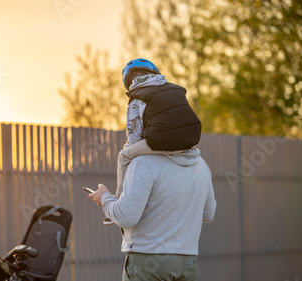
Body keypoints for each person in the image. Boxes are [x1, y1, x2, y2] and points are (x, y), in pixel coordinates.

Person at [88, 58, 216, 280]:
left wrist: (106, 199)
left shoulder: (142, 164)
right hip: (187, 262)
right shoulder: (201, 166)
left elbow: (126, 217)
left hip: (147, 262)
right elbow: (209, 214)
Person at [103, 58, 202, 225]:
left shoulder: (138, 96)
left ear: (128, 82)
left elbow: (134, 133)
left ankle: (119, 200)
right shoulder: (175, 89)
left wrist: (132, 149)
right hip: (191, 139)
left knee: (124, 156)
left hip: (160, 139)